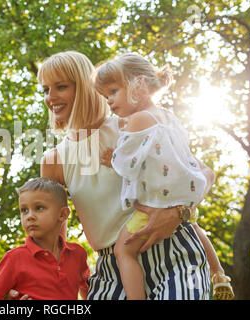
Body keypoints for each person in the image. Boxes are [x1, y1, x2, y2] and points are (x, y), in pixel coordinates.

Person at [37, 50, 211, 300]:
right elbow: (55, 246)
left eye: (60, 87)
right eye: (45, 90)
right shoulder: (53, 162)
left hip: (171, 251)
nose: (50, 98)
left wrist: (177, 213)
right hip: (111, 269)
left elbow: (204, 173)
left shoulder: (130, 125)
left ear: (87, 88)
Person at [93, 53, 234, 300]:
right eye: (106, 97)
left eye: (113, 92)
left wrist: (110, 158)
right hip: (185, 197)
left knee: (123, 250)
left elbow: (128, 163)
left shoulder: (137, 121)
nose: (109, 102)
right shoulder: (169, 117)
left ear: (138, 85)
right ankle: (218, 272)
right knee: (194, 228)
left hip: (156, 203)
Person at [0, 177, 90, 300]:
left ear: (62, 214)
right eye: (24, 210)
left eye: (39, 208)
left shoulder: (78, 254)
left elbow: (89, 294)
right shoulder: (14, 259)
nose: (29, 216)